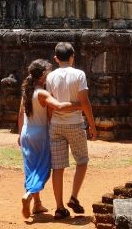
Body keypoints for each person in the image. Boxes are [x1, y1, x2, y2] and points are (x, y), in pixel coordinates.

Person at [17, 59, 81, 220]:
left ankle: (37, 204)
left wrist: (19, 134)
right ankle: (30, 194)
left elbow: (20, 114)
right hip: (40, 133)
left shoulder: (26, 92)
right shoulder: (42, 93)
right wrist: (78, 105)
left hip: (26, 131)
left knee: (30, 167)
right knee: (43, 169)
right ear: (43, 75)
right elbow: (58, 106)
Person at [45, 42, 97, 220]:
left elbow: (50, 104)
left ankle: (59, 207)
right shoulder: (79, 74)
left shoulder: (51, 77)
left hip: (56, 124)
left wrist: (49, 124)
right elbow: (85, 102)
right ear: (72, 56)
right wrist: (92, 125)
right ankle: (74, 196)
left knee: (57, 167)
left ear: (56, 58)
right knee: (82, 161)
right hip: (75, 123)